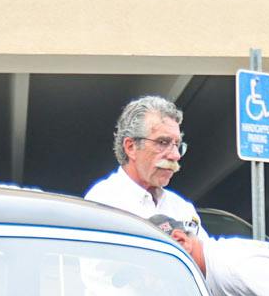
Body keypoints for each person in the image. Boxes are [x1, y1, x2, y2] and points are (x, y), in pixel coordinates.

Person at [85, 96, 205, 235]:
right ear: (131, 147)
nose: (175, 155)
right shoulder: (103, 203)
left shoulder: (181, 208)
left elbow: (205, 254)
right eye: (162, 142)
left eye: (177, 145)